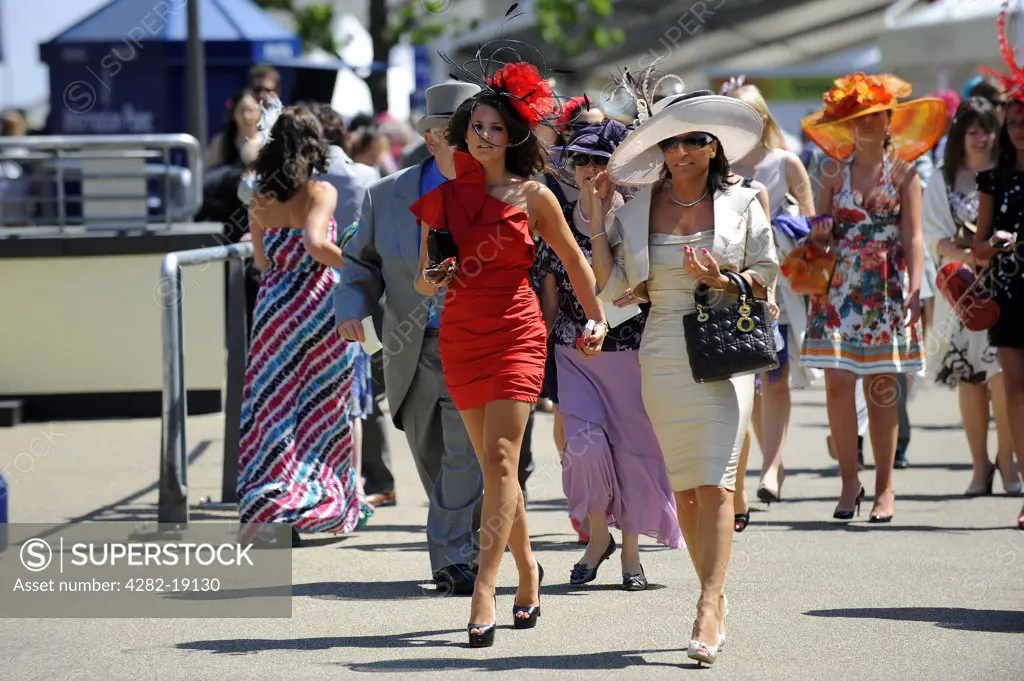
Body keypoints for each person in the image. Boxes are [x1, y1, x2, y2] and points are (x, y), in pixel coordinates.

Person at [409, 62, 609, 648]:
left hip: (517, 332)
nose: (484, 136)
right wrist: (434, 276)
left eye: (496, 128)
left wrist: (597, 317)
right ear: (462, 133)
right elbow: (423, 282)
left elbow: (573, 261)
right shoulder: (444, 199)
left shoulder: (535, 195)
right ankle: (528, 573)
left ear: (513, 136)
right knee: (499, 470)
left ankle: (484, 590)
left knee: (500, 462)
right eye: (476, 127)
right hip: (462, 336)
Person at [596, 80, 778, 666]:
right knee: (687, 488)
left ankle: (708, 602)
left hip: (724, 347)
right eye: (674, 142)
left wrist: (726, 281)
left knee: (718, 482)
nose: (684, 152)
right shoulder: (638, 209)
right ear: (662, 148)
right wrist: (599, 216)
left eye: (696, 141)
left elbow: (767, 273)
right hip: (663, 349)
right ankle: (715, 597)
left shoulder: (744, 201)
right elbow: (613, 289)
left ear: (714, 146)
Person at [335, 82, 485, 595]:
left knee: (467, 454)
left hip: (480, 345)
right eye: (465, 132)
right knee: (432, 455)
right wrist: (352, 309)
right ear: (437, 135)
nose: (475, 142)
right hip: (410, 346)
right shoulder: (387, 194)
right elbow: (359, 263)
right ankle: (472, 541)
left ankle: (451, 556)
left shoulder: (502, 188)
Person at [542, 119, 683, 590]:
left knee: (632, 450)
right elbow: (549, 292)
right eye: (581, 160)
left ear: (616, 168)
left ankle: (631, 552)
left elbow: (608, 283)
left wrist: (602, 217)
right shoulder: (556, 212)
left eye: (600, 161)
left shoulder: (635, 215)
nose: (589, 169)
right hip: (573, 349)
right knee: (582, 447)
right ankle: (597, 536)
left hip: (629, 349)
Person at [800, 73, 947, 523]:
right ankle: (850, 481)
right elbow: (816, 240)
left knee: (882, 390)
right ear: (846, 123)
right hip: (839, 284)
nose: (866, 125)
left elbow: (916, 236)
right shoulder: (830, 170)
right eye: (857, 118)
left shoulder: (904, 172)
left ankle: (885, 487)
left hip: (886, 284)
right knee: (837, 384)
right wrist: (820, 234)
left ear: (889, 120)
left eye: (874, 117)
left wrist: (917, 288)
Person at [237, 101, 370, 546]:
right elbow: (315, 243)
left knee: (272, 408)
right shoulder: (320, 191)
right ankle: (319, 502)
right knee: (323, 407)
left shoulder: (259, 197)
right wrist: (356, 266)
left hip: (273, 307)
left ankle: (273, 509)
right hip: (317, 306)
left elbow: (261, 259)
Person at [723, 80, 817, 512]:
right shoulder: (715, 164)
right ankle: (754, 467)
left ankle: (772, 468)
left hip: (778, 284)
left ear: (762, 119)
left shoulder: (785, 162)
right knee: (749, 383)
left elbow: (815, 229)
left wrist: (790, 229)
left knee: (774, 377)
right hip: (730, 287)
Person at [924, 97, 1020, 497]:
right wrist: (971, 255)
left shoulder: (1008, 174)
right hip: (960, 290)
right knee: (970, 380)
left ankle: (1009, 464)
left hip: (1007, 290)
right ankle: (980, 468)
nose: (982, 138)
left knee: (1004, 380)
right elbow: (932, 236)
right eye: (973, 130)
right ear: (959, 136)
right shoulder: (941, 179)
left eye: (988, 130)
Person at [309, 102, 394, 510]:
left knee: (317, 391)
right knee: (369, 389)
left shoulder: (302, 181)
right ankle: (377, 478)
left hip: (311, 296)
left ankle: (333, 479)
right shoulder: (366, 175)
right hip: (368, 292)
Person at [971, 2, 1024, 530]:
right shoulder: (995, 180)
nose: (1016, 130)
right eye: (1012, 123)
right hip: (1008, 292)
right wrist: (995, 245)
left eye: (1023, 121)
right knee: (1014, 389)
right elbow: (979, 247)